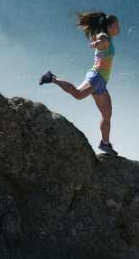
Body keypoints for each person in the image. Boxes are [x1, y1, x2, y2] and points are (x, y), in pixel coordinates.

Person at [39, 12, 123, 156]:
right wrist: (97, 43)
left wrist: (97, 41)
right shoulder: (104, 37)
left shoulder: (106, 37)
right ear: (109, 26)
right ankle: (52, 77)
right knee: (78, 94)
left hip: (101, 82)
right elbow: (101, 41)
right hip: (96, 77)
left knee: (107, 114)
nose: (119, 28)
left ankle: (105, 143)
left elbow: (100, 39)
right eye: (116, 26)